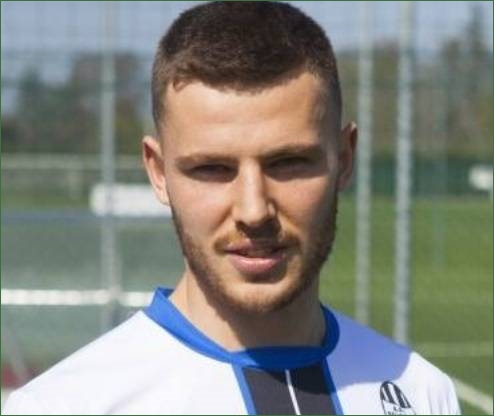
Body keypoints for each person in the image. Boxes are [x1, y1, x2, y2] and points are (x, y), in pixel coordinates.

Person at [4, 2, 460, 415]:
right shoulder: (63, 406)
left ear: (344, 158)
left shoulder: (421, 392)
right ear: (158, 172)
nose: (253, 210)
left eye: (288, 162)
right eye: (212, 168)